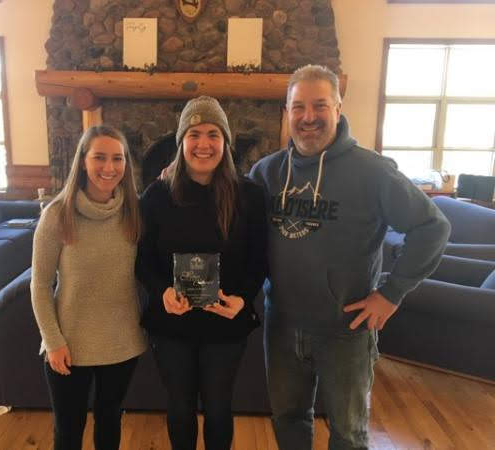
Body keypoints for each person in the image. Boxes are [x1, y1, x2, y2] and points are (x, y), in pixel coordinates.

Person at [249, 65, 451, 450]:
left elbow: (433, 227)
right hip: (282, 325)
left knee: (348, 433)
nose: (309, 117)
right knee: (288, 421)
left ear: (338, 109)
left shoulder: (373, 171)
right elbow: (229, 210)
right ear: (287, 112)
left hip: (347, 330)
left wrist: (392, 294)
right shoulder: (267, 173)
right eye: (299, 107)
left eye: (320, 105)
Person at [136, 96, 268, 450]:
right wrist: (161, 290)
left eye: (213, 133)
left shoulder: (250, 196)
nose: (204, 144)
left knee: (218, 407)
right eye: (194, 134)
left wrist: (243, 298)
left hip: (226, 321)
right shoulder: (156, 195)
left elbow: (260, 258)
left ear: (225, 141)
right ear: (181, 142)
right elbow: (141, 258)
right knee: (179, 407)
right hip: (171, 322)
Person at [31, 125, 147, 450]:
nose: (109, 168)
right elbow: (39, 285)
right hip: (68, 344)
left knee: (109, 420)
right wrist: (52, 341)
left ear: (126, 164)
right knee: (68, 430)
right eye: (99, 157)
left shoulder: (134, 212)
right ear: (83, 160)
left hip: (122, 341)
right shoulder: (56, 215)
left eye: (117, 158)